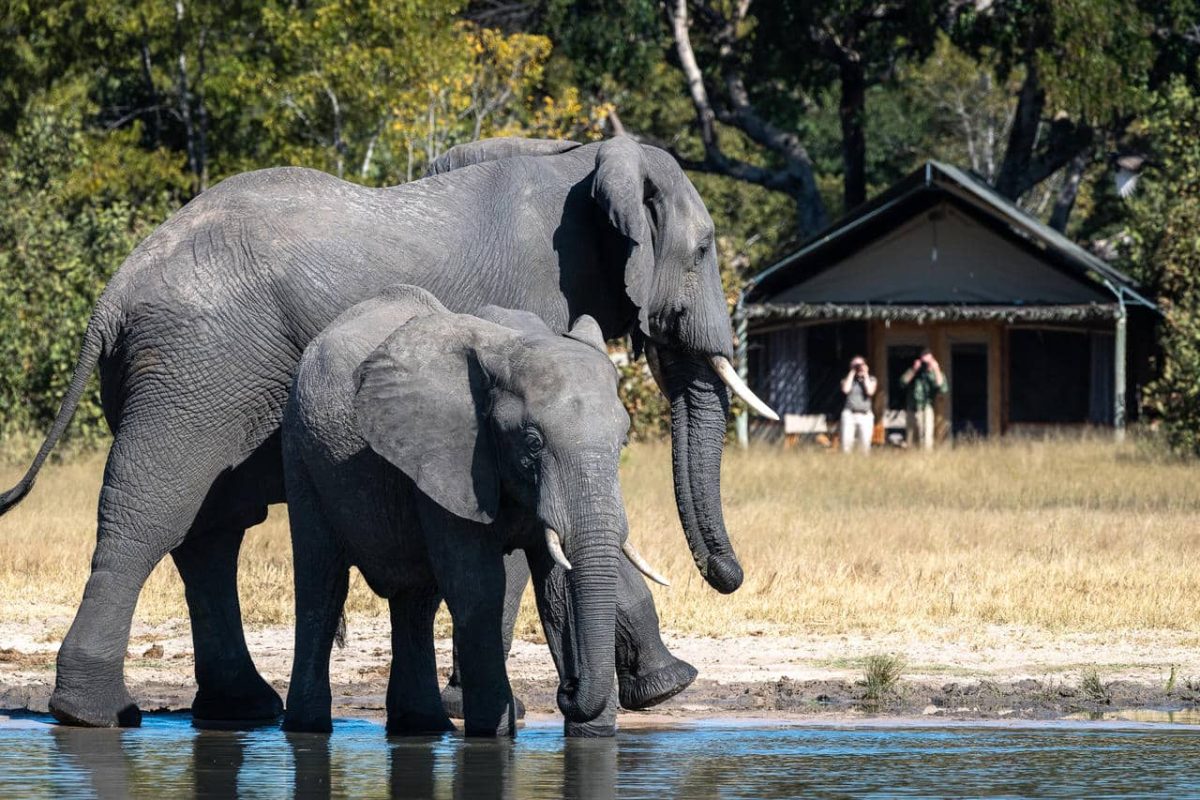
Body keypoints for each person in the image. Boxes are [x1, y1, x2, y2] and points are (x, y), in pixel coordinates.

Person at [900, 348, 948, 450]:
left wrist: (935, 369)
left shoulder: (936, 373)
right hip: (912, 409)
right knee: (911, 439)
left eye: (928, 362)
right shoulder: (914, 372)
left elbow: (942, 387)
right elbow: (903, 382)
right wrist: (914, 369)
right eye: (924, 362)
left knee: (926, 439)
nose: (925, 365)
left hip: (926, 407)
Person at [840, 356, 877, 453]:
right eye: (856, 365)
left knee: (865, 445)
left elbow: (870, 391)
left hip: (865, 415)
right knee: (846, 445)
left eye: (860, 364)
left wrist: (865, 374)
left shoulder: (871, 379)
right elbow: (845, 389)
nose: (858, 367)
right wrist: (852, 372)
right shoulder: (846, 379)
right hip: (849, 414)